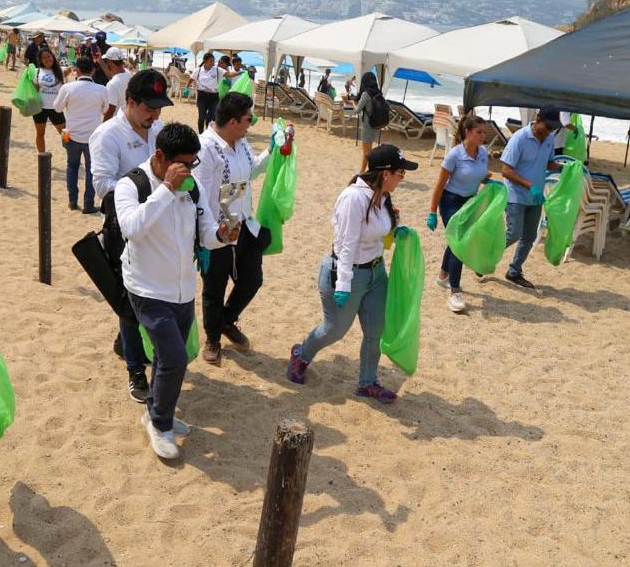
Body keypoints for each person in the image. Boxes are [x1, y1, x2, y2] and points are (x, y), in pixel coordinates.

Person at [115, 122, 231, 459]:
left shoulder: (191, 187)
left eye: (193, 163)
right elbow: (132, 228)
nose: (190, 170)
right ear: (161, 156)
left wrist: (223, 235)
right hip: (146, 289)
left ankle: (154, 411)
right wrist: (166, 188)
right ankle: (160, 423)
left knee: (171, 359)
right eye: (183, 163)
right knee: (174, 359)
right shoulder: (132, 184)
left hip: (182, 289)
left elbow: (205, 229)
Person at [286, 144, 416, 403]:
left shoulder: (383, 195)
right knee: (334, 330)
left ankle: (367, 383)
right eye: (401, 173)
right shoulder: (353, 198)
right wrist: (344, 284)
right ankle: (301, 355)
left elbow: (377, 230)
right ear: (385, 173)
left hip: (376, 273)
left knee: (375, 331)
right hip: (347, 274)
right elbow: (345, 244)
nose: (403, 178)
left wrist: (395, 230)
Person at [90, 69, 172, 402]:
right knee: (128, 301)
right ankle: (136, 370)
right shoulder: (107, 135)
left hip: (160, 226)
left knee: (151, 295)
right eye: (148, 107)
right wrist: (146, 188)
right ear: (130, 102)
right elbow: (101, 185)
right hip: (123, 227)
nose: (155, 114)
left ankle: (126, 342)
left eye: (159, 107)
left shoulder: (161, 131)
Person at [193, 93, 271, 364]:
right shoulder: (207, 147)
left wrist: (273, 150)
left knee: (252, 279)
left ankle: (227, 320)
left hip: (244, 223)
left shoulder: (241, 141)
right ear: (233, 121)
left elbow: (251, 172)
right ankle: (213, 339)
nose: (252, 123)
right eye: (249, 118)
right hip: (217, 228)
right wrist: (209, 235)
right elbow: (200, 193)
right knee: (214, 286)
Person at [427, 115, 489, 313]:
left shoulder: (483, 153)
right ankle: (454, 291)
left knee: (455, 242)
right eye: (479, 132)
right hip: (451, 202)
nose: (483, 136)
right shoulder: (454, 155)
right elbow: (439, 185)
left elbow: (479, 176)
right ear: (467, 132)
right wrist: (432, 212)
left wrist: (489, 182)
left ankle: (443, 276)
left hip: (470, 202)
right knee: (459, 243)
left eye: (484, 132)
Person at [499, 107, 564, 289]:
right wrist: (530, 186)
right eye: (547, 127)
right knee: (513, 234)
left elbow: (547, 162)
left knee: (529, 236)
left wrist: (563, 167)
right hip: (516, 195)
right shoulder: (519, 138)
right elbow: (505, 170)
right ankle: (485, 257)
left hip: (535, 198)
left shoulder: (549, 138)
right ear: (538, 118)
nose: (549, 132)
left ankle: (514, 271)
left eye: (552, 128)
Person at [53, 56, 109, 212]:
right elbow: (105, 110)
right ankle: (88, 204)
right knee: (91, 170)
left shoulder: (68, 88)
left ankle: (72, 201)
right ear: (93, 70)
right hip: (93, 137)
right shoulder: (102, 89)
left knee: (72, 167)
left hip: (71, 135)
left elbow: (57, 108)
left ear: (76, 70)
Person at [31, 48, 66, 153]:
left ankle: (72, 155)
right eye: (44, 58)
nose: (47, 59)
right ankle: (41, 156)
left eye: (49, 56)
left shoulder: (61, 71)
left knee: (65, 133)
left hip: (56, 107)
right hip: (39, 108)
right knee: (40, 134)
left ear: (53, 57)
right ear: (40, 60)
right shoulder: (37, 72)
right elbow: (35, 89)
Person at [354, 72, 382, 172]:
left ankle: (362, 172)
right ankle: (370, 170)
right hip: (376, 125)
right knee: (369, 150)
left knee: (366, 152)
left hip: (367, 126)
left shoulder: (366, 94)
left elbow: (356, 110)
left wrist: (353, 102)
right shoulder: (378, 93)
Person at [190, 52, 224, 133]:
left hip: (214, 97)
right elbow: (191, 78)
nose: (212, 63)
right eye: (211, 61)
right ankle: (201, 133)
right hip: (202, 96)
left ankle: (208, 133)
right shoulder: (198, 70)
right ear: (205, 61)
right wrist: (187, 87)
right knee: (202, 116)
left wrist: (239, 73)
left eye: (213, 61)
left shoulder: (217, 69)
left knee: (212, 116)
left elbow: (228, 74)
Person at [102, 47, 132, 121]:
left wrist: (103, 127)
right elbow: (113, 75)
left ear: (109, 62)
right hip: (129, 120)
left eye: (106, 61)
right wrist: (100, 61)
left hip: (117, 123)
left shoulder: (112, 84)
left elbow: (110, 111)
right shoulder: (128, 73)